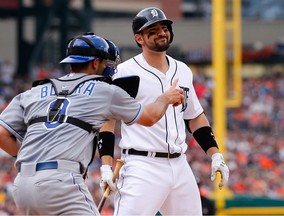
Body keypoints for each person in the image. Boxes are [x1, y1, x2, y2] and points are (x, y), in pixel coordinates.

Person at [0, 32, 184, 215]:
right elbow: (150, 117)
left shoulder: (34, 91)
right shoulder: (104, 90)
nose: (109, 68)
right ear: (96, 63)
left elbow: (2, 134)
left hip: (23, 184)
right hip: (60, 184)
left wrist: (36, 156)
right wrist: (165, 98)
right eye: (106, 63)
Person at [99, 7, 229, 215]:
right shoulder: (124, 72)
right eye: (153, 30)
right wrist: (106, 165)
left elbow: (194, 117)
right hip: (142, 165)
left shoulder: (183, 70)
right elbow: (107, 121)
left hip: (179, 165)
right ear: (139, 38)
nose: (161, 33)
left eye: (164, 27)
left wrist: (215, 155)